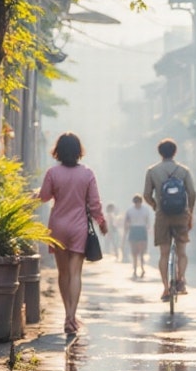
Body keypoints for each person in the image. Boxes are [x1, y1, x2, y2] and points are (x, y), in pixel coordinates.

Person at [37, 132, 107, 335]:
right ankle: (71, 317)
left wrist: (35, 193)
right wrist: (101, 222)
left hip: (57, 225)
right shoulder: (87, 174)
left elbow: (44, 197)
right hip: (79, 228)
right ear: (79, 151)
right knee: (75, 272)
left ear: (58, 151)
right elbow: (94, 204)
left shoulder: (52, 173)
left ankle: (67, 314)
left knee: (63, 273)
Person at [143, 138, 196, 302]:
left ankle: (166, 288)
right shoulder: (184, 171)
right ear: (175, 152)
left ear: (160, 153)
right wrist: (190, 212)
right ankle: (181, 280)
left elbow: (146, 194)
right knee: (181, 252)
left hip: (162, 216)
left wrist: (155, 205)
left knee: (164, 254)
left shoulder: (152, 171)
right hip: (181, 215)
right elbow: (192, 193)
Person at [123, 194, 152, 280]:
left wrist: (148, 228)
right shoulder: (130, 210)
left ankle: (142, 268)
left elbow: (148, 221)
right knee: (134, 252)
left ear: (141, 202)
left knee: (142, 253)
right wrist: (126, 231)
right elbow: (126, 221)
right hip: (134, 229)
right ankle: (135, 269)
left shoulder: (145, 210)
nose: (137, 204)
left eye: (138, 202)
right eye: (136, 203)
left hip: (142, 229)